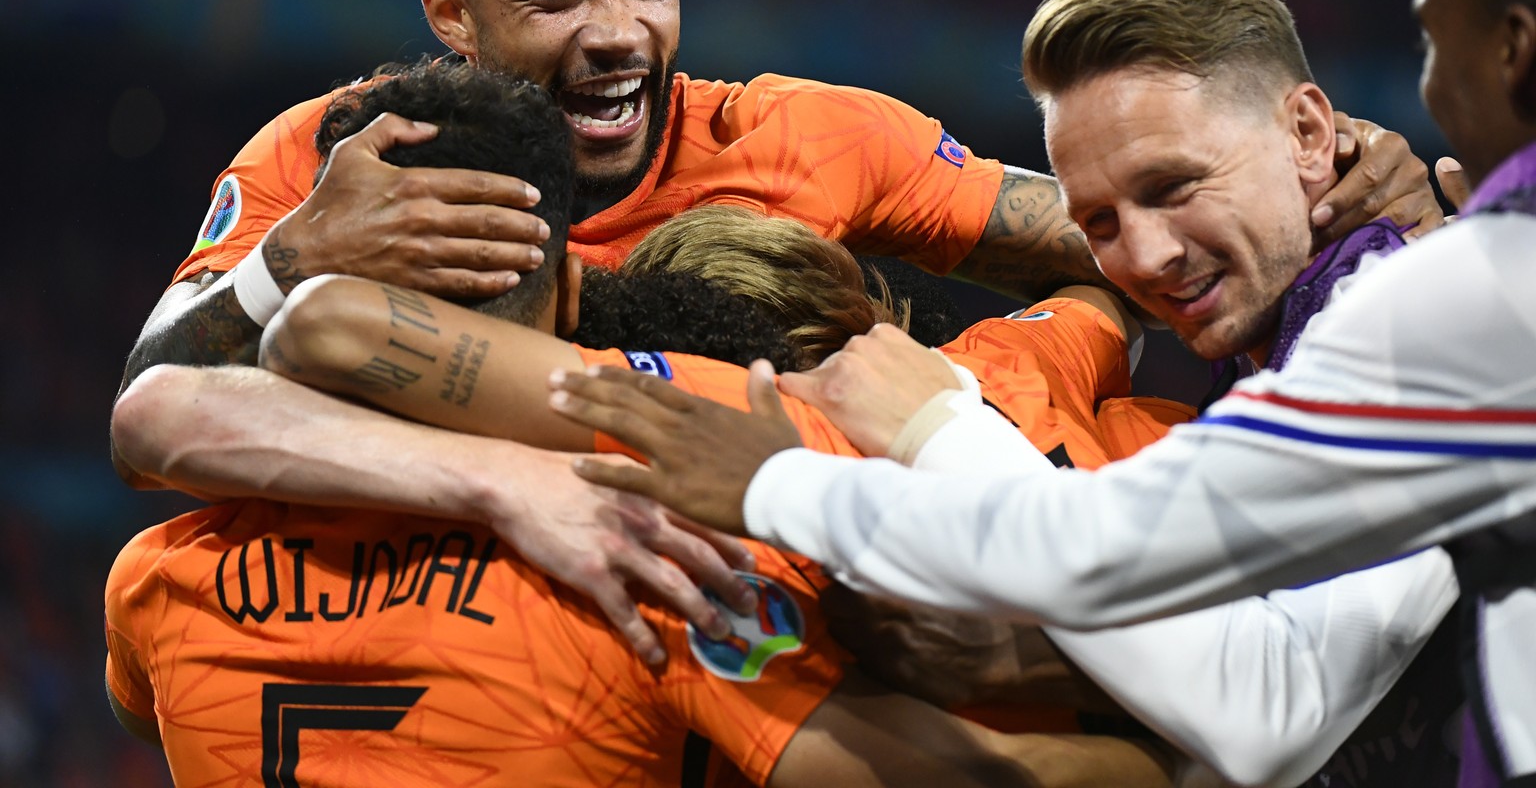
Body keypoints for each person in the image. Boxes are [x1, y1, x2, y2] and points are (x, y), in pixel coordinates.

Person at [559, 0, 1536, 786]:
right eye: (1098, 219)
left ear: (1312, 132)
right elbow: (1108, 531)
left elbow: (1270, 713)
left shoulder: (1421, 314)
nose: (1142, 256)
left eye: (1176, 184)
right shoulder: (1277, 335)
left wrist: (925, 431)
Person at [114, 0, 1439, 421]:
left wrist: (1340, 182)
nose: (620, 33)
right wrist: (296, 259)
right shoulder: (340, 153)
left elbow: (1113, 234)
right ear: (451, 17)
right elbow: (152, 397)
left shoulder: (805, 137)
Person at [108, 67, 1178, 786]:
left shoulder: (157, 581)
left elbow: (198, 390)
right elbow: (964, 775)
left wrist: (289, 257)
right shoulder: (649, 548)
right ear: (573, 289)